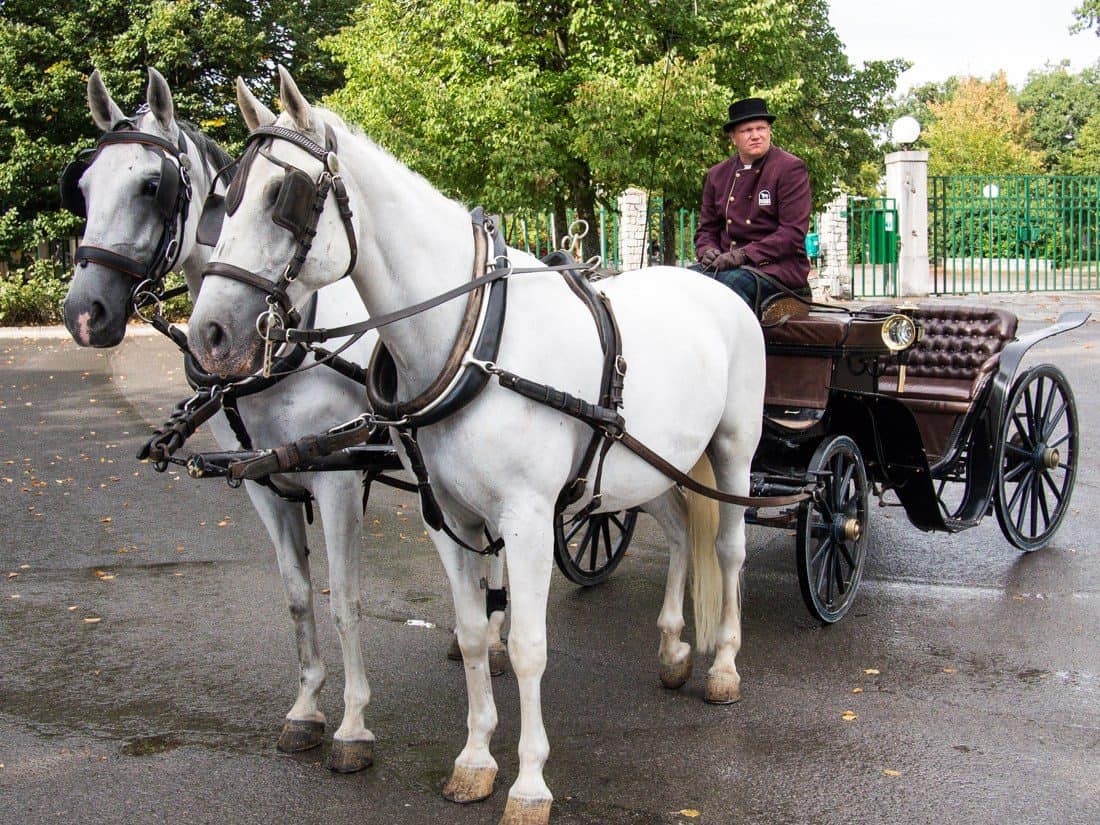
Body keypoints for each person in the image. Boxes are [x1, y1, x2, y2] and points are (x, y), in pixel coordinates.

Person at [693, 97, 812, 312]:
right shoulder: (717, 175)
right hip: (723, 264)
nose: (756, 135)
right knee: (682, 284)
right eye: (747, 130)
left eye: (761, 128)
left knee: (725, 290)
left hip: (776, 268)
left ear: (769, 131)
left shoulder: (789, 168)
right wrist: (707, 250)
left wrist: (742, 255)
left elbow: (792, 233)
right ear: (733, 137)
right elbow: (707, 229)